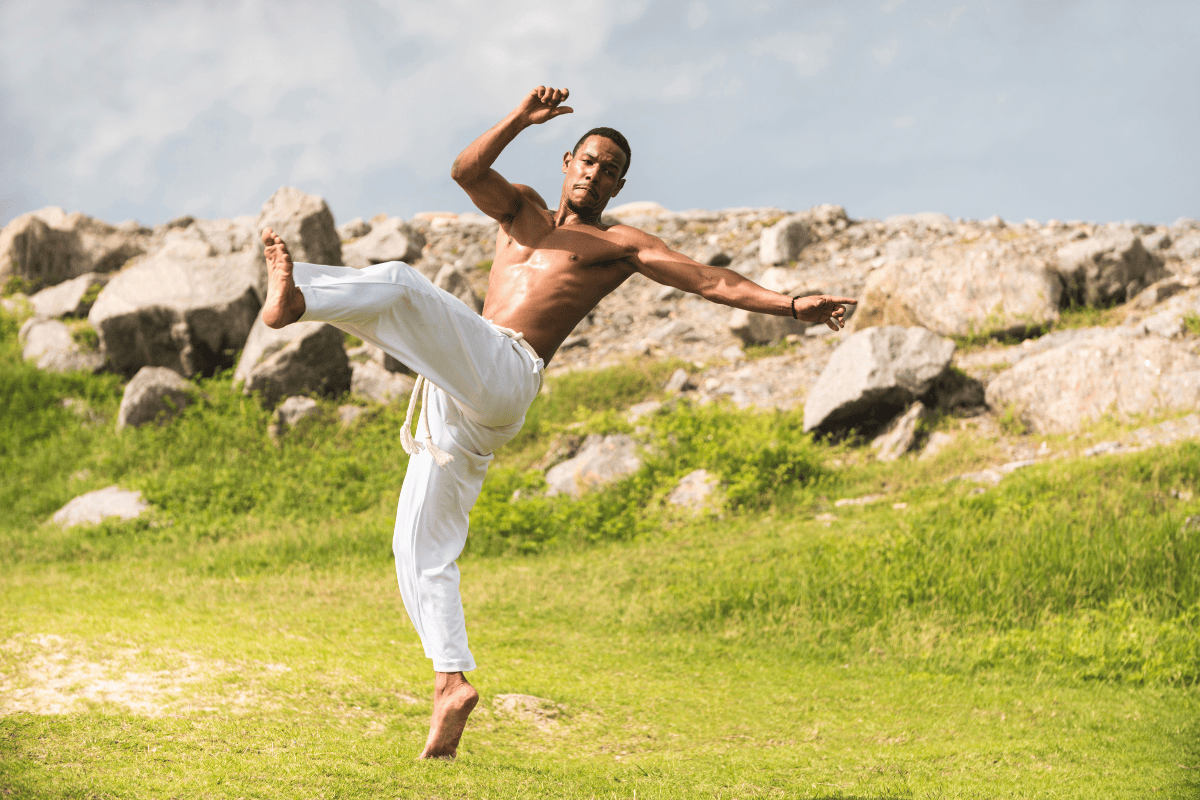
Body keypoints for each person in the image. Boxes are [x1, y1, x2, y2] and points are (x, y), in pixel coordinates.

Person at [259, 85, 855, 760]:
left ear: (620, 183)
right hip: (460, 393)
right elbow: (465, 173)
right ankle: (450, 684)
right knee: (419, 547)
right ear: (567, 159)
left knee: (398, 280)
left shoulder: (618, 243)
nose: (594, 174)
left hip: (508, 370)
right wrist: (520, 116)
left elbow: (709, 281)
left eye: (609, 169)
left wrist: (790, 304)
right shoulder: (518, 212)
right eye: (588, 160)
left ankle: (299, 298)